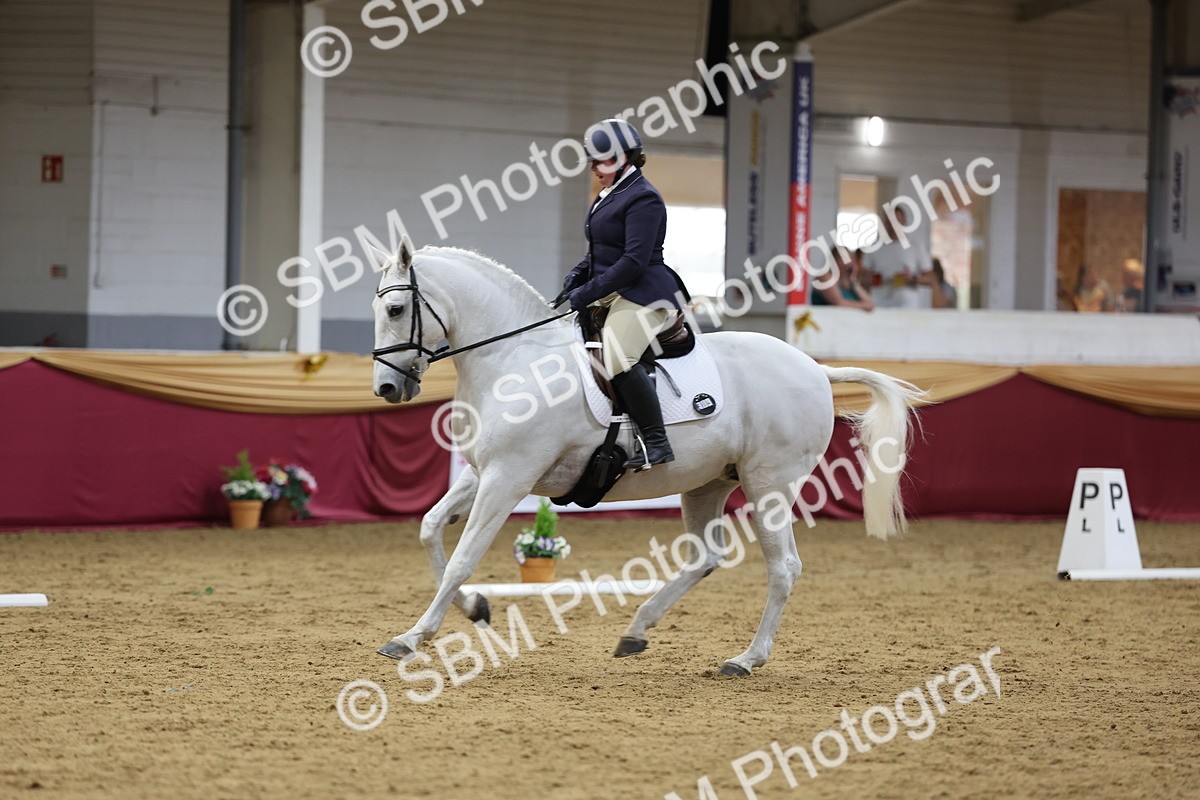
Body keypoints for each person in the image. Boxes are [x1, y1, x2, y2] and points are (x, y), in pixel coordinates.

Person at [556, 119, 687, 470]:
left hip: (644, 291)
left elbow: (632, 261)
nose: (596, 169)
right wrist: (576, 276)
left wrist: (587, 293)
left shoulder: (643, 197)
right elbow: (601, 251)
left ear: (625, 157)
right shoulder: (607, 196)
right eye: (593, 162)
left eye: (602, 161)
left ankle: (657, 442)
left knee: (616, 357)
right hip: (612, 290)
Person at [860, 206, 932, 309]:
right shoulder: (874, 247)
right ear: (885, 224)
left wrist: (912, 279)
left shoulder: (915, 247)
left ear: (904, 223)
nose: (893, 226)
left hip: (907, 306)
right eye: (890, 222)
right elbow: (862, 277)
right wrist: (872, 279)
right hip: (880, 304)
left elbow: (930, 279)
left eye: (897, 222)